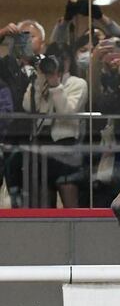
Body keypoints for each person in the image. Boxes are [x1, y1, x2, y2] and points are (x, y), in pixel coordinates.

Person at [15, 42, 87, 207]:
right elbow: (27, 106)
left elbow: (67, 113)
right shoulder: (40, 82)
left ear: (69, 61)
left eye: (63, 59)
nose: (59, 63)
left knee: (71, 208)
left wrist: (55, 85)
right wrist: (40, 80)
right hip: (41, 146)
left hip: (66, 147)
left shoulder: (77, 83)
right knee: (44, 208)